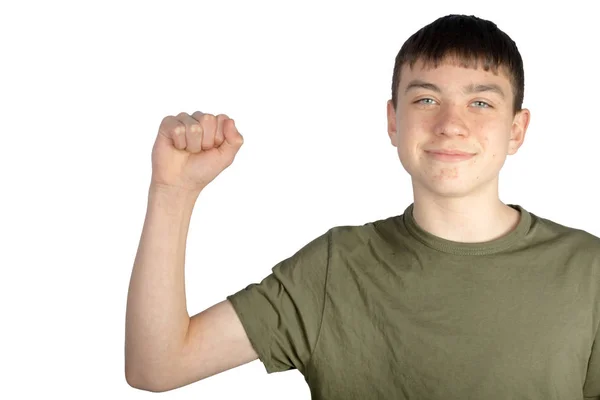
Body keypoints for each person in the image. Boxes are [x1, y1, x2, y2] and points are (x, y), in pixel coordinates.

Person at [124, 14, 600, 399]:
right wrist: (172, 192)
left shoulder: (587, 270)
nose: (451, 124)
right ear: (394, 121)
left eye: (480, 103)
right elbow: (158, 365)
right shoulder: (335, 267)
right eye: (427, 98)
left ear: (517, 129)